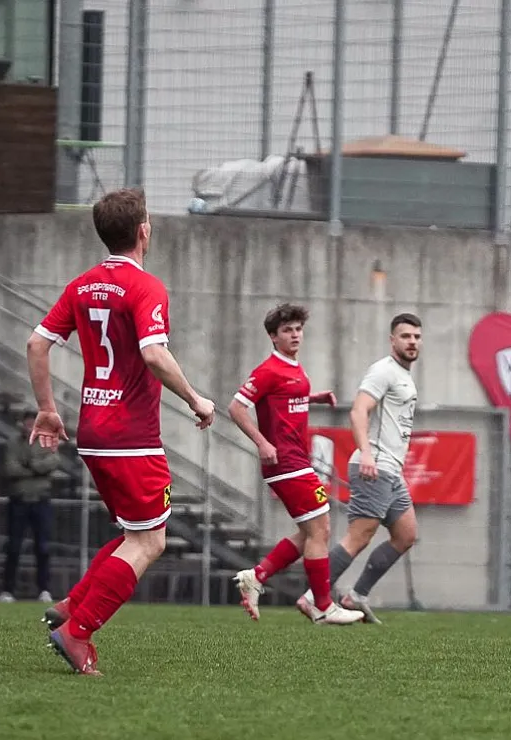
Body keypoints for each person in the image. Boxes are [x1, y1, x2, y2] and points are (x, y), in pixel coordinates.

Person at [28, 188, 215, 676]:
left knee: (138, 532)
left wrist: (47, 409)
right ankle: (78, 631)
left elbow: (36, 344)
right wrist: (196, 399)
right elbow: (154, 354)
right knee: (150, 542)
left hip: (93, 429)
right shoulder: (146, 287)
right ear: (143, 231)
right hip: (131, 435)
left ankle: (72, 605)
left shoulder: (82, 285)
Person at [229, 303, 364, 626]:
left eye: (298, 329)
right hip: (286, 462)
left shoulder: (293, 367)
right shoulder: (269, 370)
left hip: (297, 460)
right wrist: (262, 443)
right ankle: (323, 605)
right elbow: (236, 407)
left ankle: (257, 576)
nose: (294, 335)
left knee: (310, 532)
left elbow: (283, 399)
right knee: (321, 529)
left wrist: (313, 398)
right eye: (287, 330)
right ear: (273, 337)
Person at [297, 313, 422, 624]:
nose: (412, 342)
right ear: (392, 340)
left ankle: (357, 596)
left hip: (390, 471)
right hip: (374, 466)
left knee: (406, 534)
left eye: (416, 337)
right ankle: (313, 598)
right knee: (358, 537)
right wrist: (366, 453)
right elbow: (358, 411)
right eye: (405, 336)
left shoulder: (404, 376)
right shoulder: (383, 371)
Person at [0, 409, 62, 604]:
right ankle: (7, 591)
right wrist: (37, 470)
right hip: (18, 501)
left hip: (41, 500)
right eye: (26, 423)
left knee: (42, 547)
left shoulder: (48, 441)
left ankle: (44, 590)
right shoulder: (13, 442)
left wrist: (31, 465)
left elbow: (53, 462)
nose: (29, 426)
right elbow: (10, 468)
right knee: (14, 546)